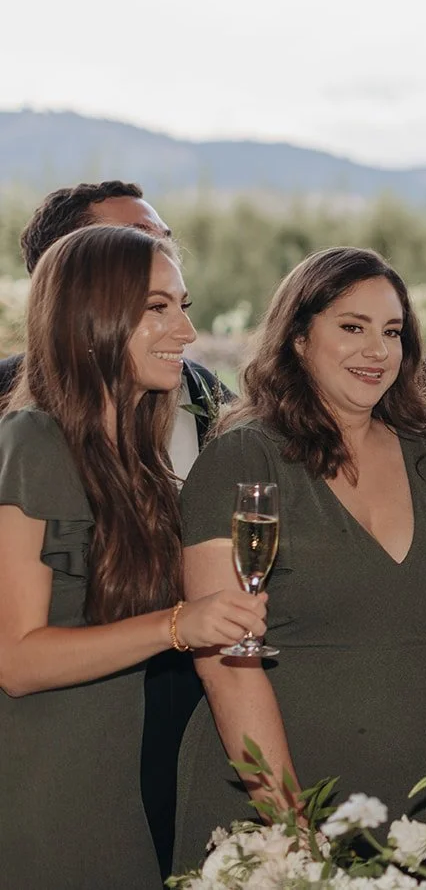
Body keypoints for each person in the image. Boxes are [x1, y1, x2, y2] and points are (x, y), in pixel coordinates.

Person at [172, 248, 426, 868]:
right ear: (297, 338)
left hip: (410, 802)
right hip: (270, 806)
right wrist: (292, 830)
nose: (377, 350)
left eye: (392, 332)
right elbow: (223, 665)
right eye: (352, 327)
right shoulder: (242, 457)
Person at [0, 226, 264, 888]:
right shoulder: (34, 441)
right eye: (157, 307)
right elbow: (16, 661)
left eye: (184, 306)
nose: (187, 331)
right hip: (36, 797)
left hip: (113, 794)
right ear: (90, 317)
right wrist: (179, 623)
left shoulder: (136, 460)